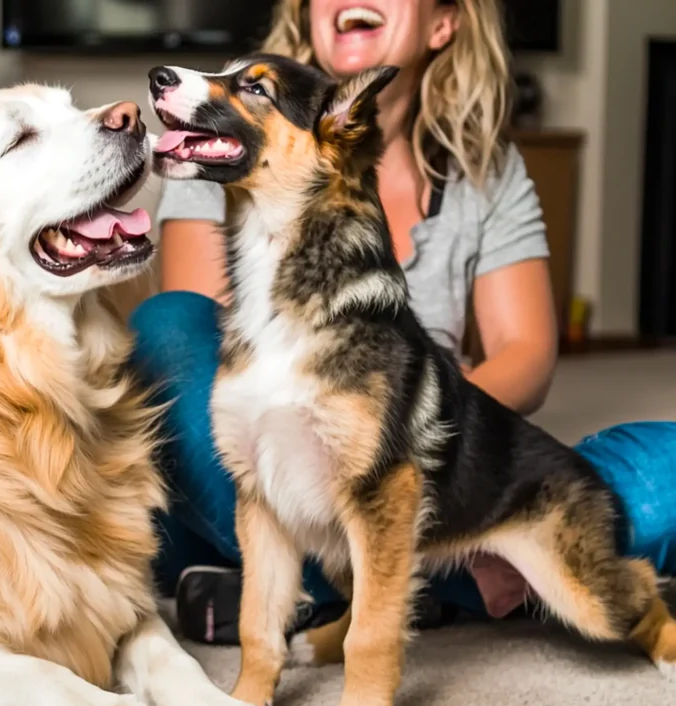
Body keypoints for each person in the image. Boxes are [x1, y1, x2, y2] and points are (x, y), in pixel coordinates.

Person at [127, 0, 676, 642]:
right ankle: (445, 583)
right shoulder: (227, 137)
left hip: (427, 469)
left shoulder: (485, 171)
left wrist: (398, 443)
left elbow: (524, 354)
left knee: (657, 469)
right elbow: (208, 358)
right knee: (166, 329)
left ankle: (353, 580)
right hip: (270, 467)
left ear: (444, 24)